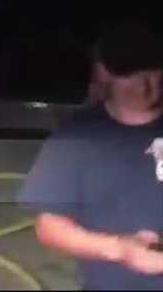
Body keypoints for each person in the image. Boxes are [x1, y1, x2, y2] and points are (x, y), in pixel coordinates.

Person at [22, 20, 163, 290]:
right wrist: (121, 249)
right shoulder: (76, 136)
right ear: (103, 74)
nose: (144, 84)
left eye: (154, 71)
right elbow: (51, 227)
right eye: (128, 72)